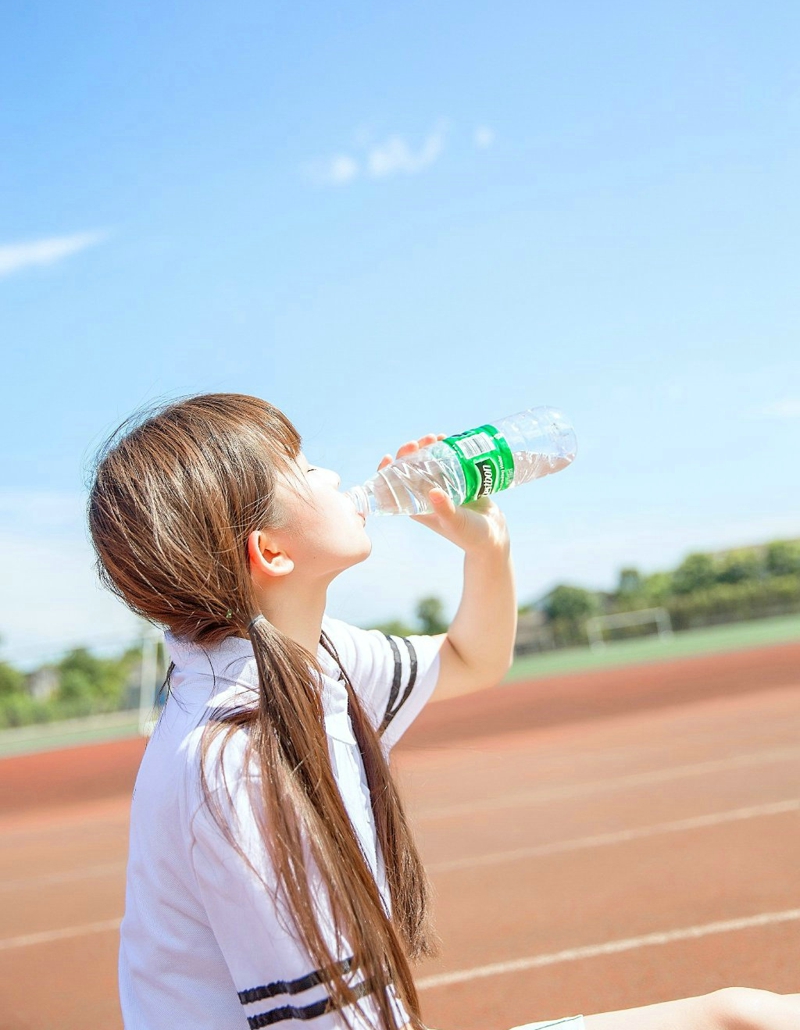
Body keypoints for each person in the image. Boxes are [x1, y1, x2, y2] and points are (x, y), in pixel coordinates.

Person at [86, 393, 800, 1030]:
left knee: (746, 1013)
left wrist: (486, 547)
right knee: (744, 1019)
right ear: (270, 552)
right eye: (302, 468)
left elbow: (470, 659)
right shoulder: (235, 761)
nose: (332, 476)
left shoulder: (310, 655)